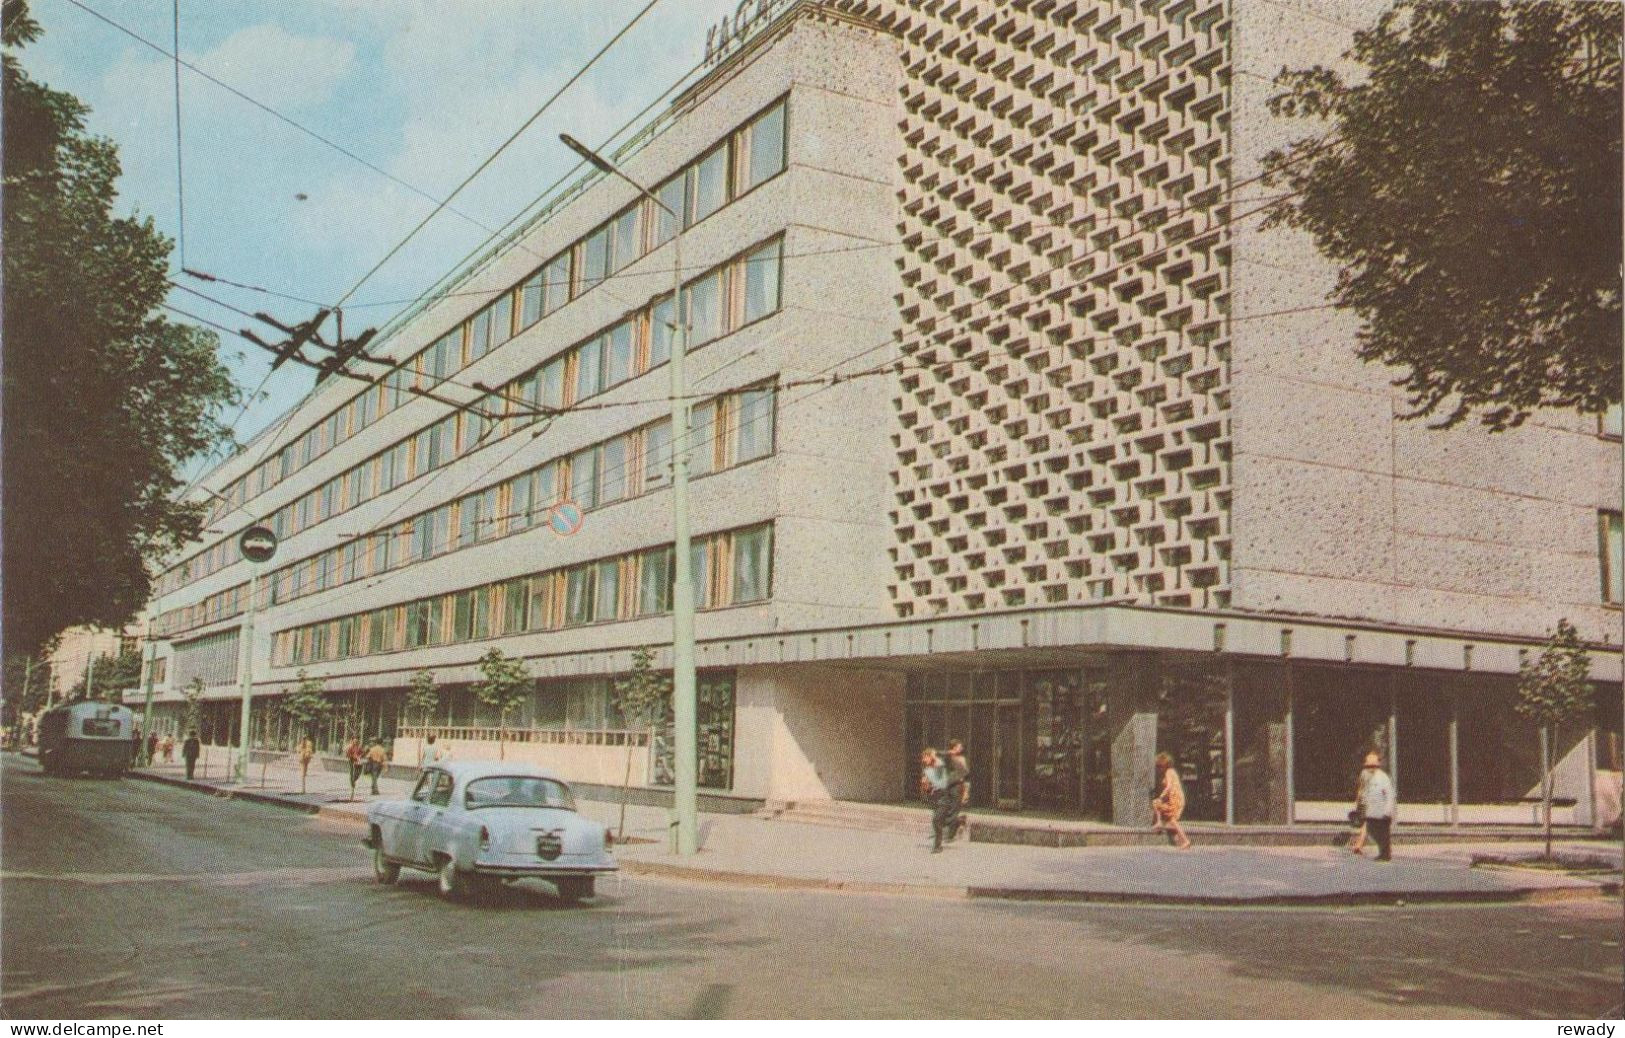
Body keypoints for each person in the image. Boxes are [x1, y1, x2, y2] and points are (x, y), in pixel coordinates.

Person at [1357, 751, 1395, 861]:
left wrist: (1387, 811)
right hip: (1372, 811)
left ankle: (1385, 854)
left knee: (1383, 834)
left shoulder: (1382, 778)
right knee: (1373, 831)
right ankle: (1383, 852)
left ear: (1377, 766)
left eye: (1373, 766)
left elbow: (1389, 795)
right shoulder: (1366, 776)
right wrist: (1361, 804)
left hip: (1382, 812)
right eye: (1368, 766)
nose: (1370, 768)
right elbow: (1365, 792)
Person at [1151, 752, 1193, 850]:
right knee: (1159, 806)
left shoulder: (1169, 772)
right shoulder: (1170, 771)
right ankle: (1160, 823)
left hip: (1175, 799)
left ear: (1165, 764)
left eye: (1160, 766)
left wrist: (1161, 796)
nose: (1159, 768)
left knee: (1171, 819)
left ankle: (1185, 841)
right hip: (1174, 798)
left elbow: (1169, 787)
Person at [919, 747, 954, 853]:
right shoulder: (927, 771)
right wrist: (925, 785)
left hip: (944, 797)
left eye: (925, 757)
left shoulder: (939, 766)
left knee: (936, 820)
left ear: (930, 757)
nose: (923, 760)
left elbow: (939, 764)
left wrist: (933, 754)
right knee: (938, 821)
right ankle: (955, 822)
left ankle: (937, 846)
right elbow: (927, 789)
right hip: (935, 798)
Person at [944, 738, 970, 841]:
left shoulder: (962, 759)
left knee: (954, 809)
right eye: (959, 746)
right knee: (946, 809)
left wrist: (966, 791)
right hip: (948, 786)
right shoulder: (948, 758)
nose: (961, 748)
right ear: (954, 748)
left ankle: (950, 836)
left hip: (957, 786)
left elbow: (965, 776)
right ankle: (959, 821)